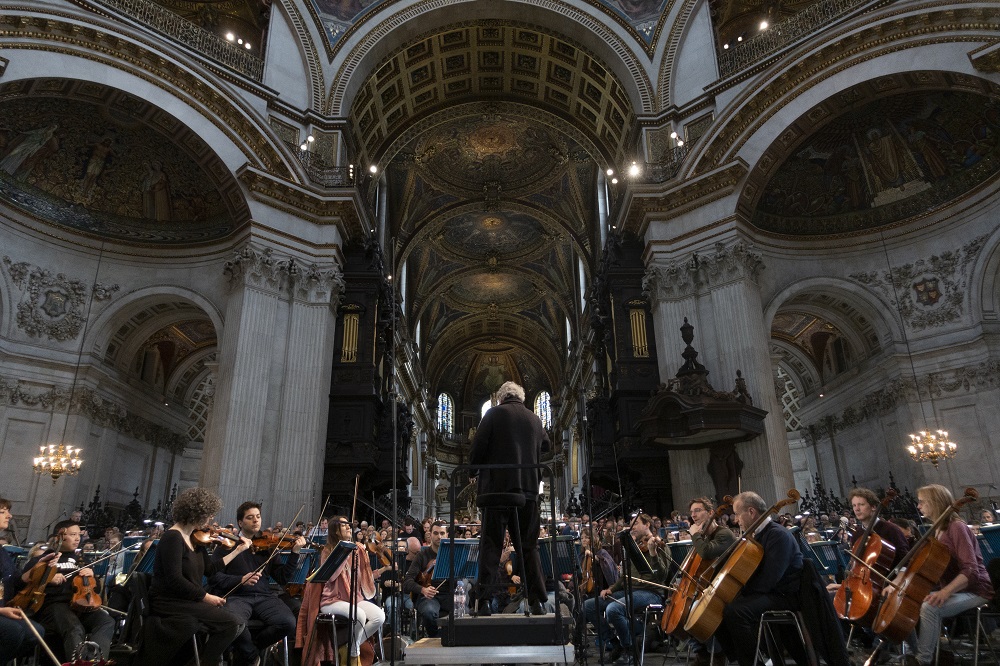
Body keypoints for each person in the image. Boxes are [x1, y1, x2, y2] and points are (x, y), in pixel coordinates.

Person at [470, 380, 550, 616]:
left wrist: (472, 470)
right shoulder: (534, 419)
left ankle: (483, 602)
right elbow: (545, 445)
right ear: (521, 398)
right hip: (528, 491)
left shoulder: (494, 413)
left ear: (501, 398)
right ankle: (538, 602)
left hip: (497, 490)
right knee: (529, 547)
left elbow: (478, 446)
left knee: (492, 545)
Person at [147, 487, 245, 666]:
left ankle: (201, 659)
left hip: (188, 600)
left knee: (238, 623)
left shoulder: (194, 538)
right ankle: (208, 661)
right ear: (196, 513)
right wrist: (206, 597)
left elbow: (210, 569)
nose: (210, 520)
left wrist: (237, 550)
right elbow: (174, 579)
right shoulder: (173, 538)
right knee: (232, 623)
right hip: (170, 602)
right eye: (208, 515)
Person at [901, 484, 994, 666]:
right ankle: (932, 653)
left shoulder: (956, 527)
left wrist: (946, 592)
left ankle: (922, 660)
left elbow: (971, 570)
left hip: (976, 590)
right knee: (909, 602)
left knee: (930, 608)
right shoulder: (937, 530)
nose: (918, 506)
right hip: (954, 590)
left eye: (922, 502)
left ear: (935, 503)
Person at [209, 501, 307, 666]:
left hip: (264, 597)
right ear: (241, 522)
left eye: (258, 517)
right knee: (234, 622)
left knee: (288, 623)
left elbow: (282, 578)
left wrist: (294, 554)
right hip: (237, 597)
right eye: (250, 517)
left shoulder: (267, 546)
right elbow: (214, 578)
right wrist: (240, 580)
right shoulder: (227, 545)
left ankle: (247, 651)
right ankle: (252, 656)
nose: (256, 520)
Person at [715, 491, 803, 666]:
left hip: (784, 595)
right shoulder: (755, 535)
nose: (736, 520)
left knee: (735, 612)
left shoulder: (778, 535)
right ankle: (746, 659)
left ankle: (751, 662)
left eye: (737, 514)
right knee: (718, 607)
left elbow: (769, 580)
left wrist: (741, 590)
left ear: (751, 512)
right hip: (767, 592)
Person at [12, 519, 114, 659]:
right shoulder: (44, 559)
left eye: (79, 534)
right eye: (73, 534)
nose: (78, 538)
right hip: (53, 605)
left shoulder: (82, 561)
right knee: (74, 627)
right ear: (59, 537)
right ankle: (78, 662)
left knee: (106, 621)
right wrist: (47, 578)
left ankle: (94, 660)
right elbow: (22, 583)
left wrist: (92, 577)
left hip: (80, 605)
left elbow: (94, 587)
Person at [599, 513, 671, 665]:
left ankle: (630, 649)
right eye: (631, 524)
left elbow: (661, 576)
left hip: (651, 593)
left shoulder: (659, 545)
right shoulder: (635, 548)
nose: (632, 527)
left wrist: (653, 554)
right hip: (630, 590)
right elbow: (625, 576)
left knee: (613, 609)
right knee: (590, 606)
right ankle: (616, 644)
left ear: (647, 525)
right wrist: (612, 588)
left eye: (636, 523)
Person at [317, 515, 384, 666]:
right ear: (335, 530)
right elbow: (331, 576)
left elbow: (365, 574)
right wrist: (343, 552)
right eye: (343, 525)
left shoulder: (356, 549)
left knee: (379, 616)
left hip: (355, 598)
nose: (348, 527)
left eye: (348, 524)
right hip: (332, 600)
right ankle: (354, 655)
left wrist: (369, 557)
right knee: (359, 615)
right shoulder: (328, 551)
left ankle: (349, 647)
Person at [826, 488, 910, 595]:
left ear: (873, 507)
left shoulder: (891, 530)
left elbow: (907, 561)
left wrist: (895, 584)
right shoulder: (857, 534)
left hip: (887, 587)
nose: (857, 509)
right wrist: (842, 585)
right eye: (854, 505)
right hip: (863, 587)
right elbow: (858, 570)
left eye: (861, 504)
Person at [687, 497, 736, 666]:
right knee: (682, 609)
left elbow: (707, 553)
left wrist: (695, 535)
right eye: (692, 512)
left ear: (710, 513)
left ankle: (718, 653)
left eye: (698, 510)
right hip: (710, 588)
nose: (693, 515)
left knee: (694, 609)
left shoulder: (724, 534)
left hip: (726, 589)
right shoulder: (703, 537)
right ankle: (702, 652)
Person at [0, 496, 44, 663]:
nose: (10, 516)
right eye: (3, 512)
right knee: (13, 632)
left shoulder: (1, 551)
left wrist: (37, 568)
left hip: (4, 607)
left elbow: (15, 579)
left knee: (36, 632)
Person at [402, 520, 452, 638]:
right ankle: (435, 637)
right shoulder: (422, 556)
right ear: (430, 534)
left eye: (442, 533)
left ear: (447, 535)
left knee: (464, 611)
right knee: (429, 612)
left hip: (449, 595)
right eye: (435, 533)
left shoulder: (452, 554)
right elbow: (407, 582)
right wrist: (423, 590)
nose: (439, 536)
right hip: (429, 596)